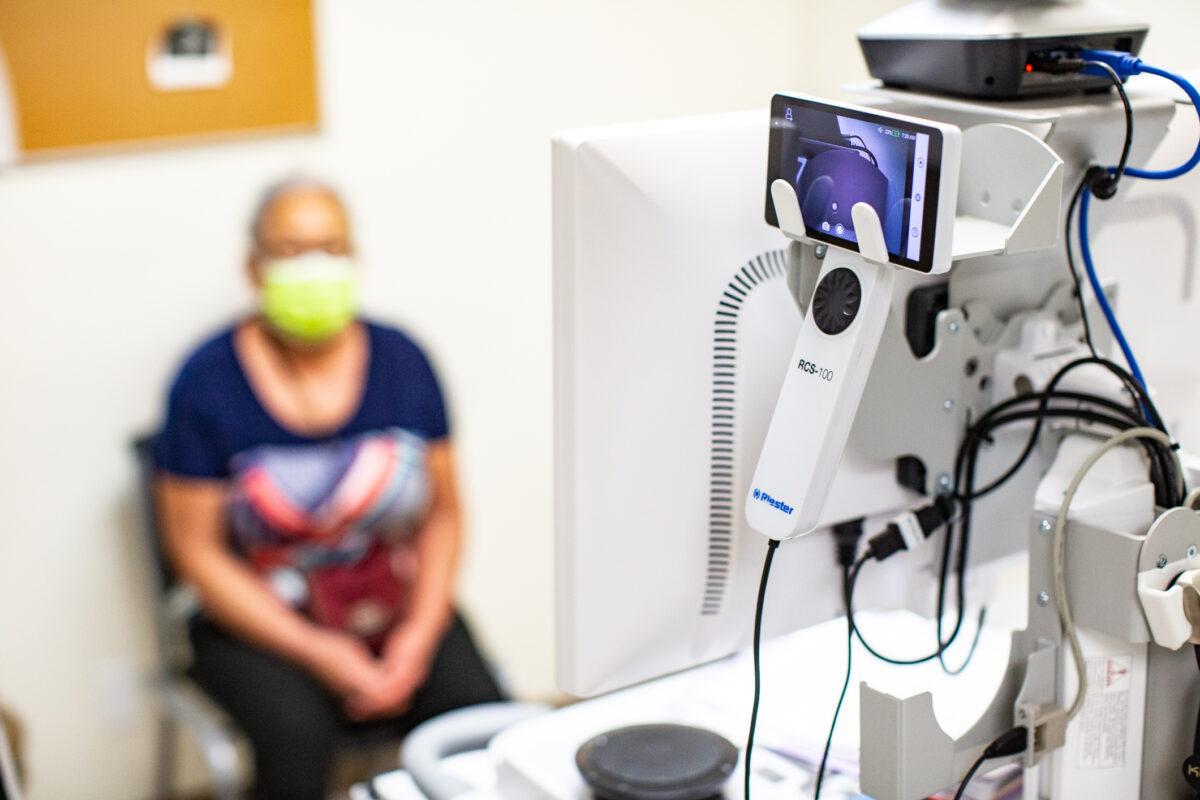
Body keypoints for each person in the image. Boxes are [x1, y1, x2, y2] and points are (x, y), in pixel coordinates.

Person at [154, 177, 503, 799]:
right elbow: (197, 552)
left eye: (330, 247)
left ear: (355, 258)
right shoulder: (204, 384)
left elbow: (444, 514)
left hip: (391, 600)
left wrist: (418, 638)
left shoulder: (404, 361)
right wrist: (320, 652)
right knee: (295, 740)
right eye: (290, 250)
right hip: (264, 621)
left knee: (480, 723)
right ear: (254, 267)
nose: (313, 266)